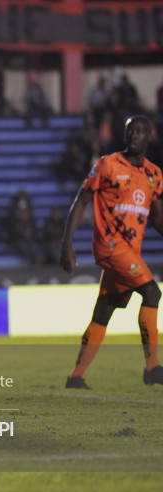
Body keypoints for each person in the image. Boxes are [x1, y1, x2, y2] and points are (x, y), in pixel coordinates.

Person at [60, 115, 163, 389]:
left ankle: (76, 376)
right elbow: (81, 200)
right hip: (110, 246)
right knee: (153, 292)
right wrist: (66, 243)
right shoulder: (107, 165)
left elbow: (157, 219)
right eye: (130, 131)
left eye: (140, 131)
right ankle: (153, 367)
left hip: (130, 252)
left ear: (148, 136)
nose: (133, 136)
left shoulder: (154, 175)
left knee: (104, 311)